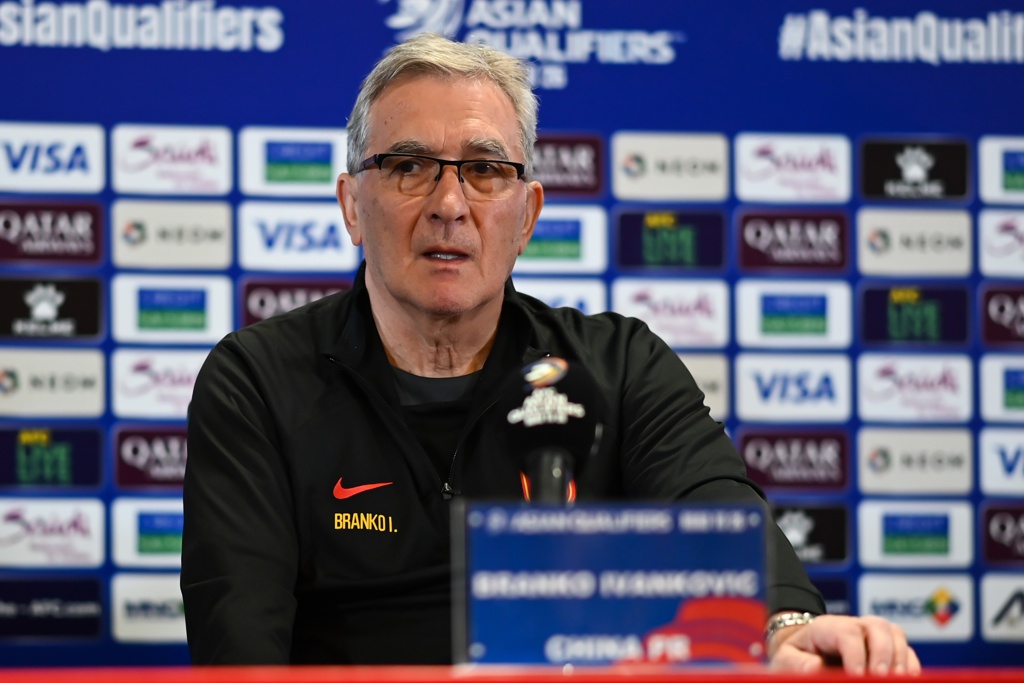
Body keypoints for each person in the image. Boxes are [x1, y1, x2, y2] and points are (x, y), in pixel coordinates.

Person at [181, 32, 921, 675]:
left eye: (484, 170)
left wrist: (784, 627)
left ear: (527, 215)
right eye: (409, 165)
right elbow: (239, 647)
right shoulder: (258, 380)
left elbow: (719, 521)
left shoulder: (619, 366)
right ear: (351, 206)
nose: (448, 204)